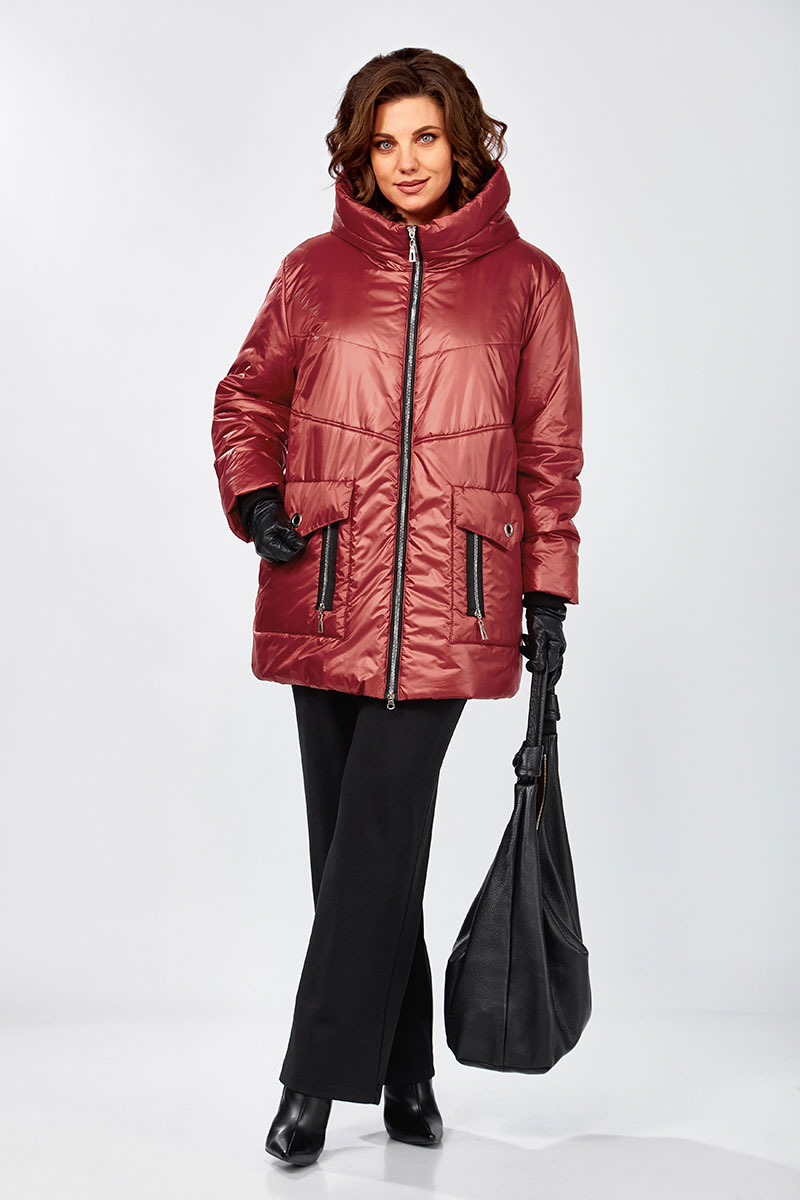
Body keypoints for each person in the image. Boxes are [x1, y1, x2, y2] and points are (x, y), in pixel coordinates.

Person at [211, 46, 583, 1167]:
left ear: (462, 141)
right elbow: (246, 399)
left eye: (425, 136)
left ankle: (310, 1084)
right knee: (354, 856)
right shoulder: (312, 272)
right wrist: (257, 496)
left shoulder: (529, 283)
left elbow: (550, 455)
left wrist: (547, 592)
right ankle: (407, 1071)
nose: (407, 161)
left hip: (450, 601)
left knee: (374, 835)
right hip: (321, 585)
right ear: (359, 154)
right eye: (385, 142)